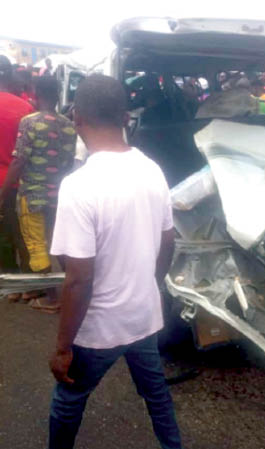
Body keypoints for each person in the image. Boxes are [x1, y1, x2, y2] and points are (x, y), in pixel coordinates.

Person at [48, 74, 182, 449]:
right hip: (142, 316)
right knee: (157, 398)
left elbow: (78, 279)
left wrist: (62, 347)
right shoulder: (151, 169)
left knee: (69, 398)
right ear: (125, 117)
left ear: (76, 117)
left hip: (100, 329)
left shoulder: (80, 185)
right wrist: (148, 285)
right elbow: (168, 241)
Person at [0, 76, 76, 311]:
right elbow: (67, 162)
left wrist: (2, 195)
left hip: (31, 195)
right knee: (60, 244)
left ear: (35, 93)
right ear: (57, 93)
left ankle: (51, 297)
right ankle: (72, 292)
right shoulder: (68, 124)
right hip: (58, 194)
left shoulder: (29, 122)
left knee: (36, 245)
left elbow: (18, 161)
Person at [0, 55, 33, 275]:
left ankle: (8, 278)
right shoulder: (26, 108)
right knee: (22, 232)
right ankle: (28, 282)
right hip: (18, 182)